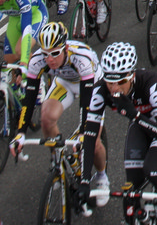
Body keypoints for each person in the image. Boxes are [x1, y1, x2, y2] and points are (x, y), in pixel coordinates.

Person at [10, 23, 110, 206]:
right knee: (46, 117)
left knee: (92, 141)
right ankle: (57, 162)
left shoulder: (82, 58)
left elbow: (86, 103)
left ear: (65, 48)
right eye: (46, 53)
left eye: (55, 53)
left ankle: (102, 177)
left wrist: (83, 134)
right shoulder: (38, 60)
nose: (50, 59)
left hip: (91, 83)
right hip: (65, 81)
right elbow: (29, 99)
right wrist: (20, 133)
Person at [82, 42, 157, 221]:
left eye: (121, 81)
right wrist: (84, 181)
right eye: (110, 82)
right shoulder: (100, 90)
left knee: (153, 169)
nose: (114, 88)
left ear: (132, 76)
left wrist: (135, 115)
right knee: (131, 186)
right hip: (139, 120)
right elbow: (90, 135)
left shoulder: (149, 83)